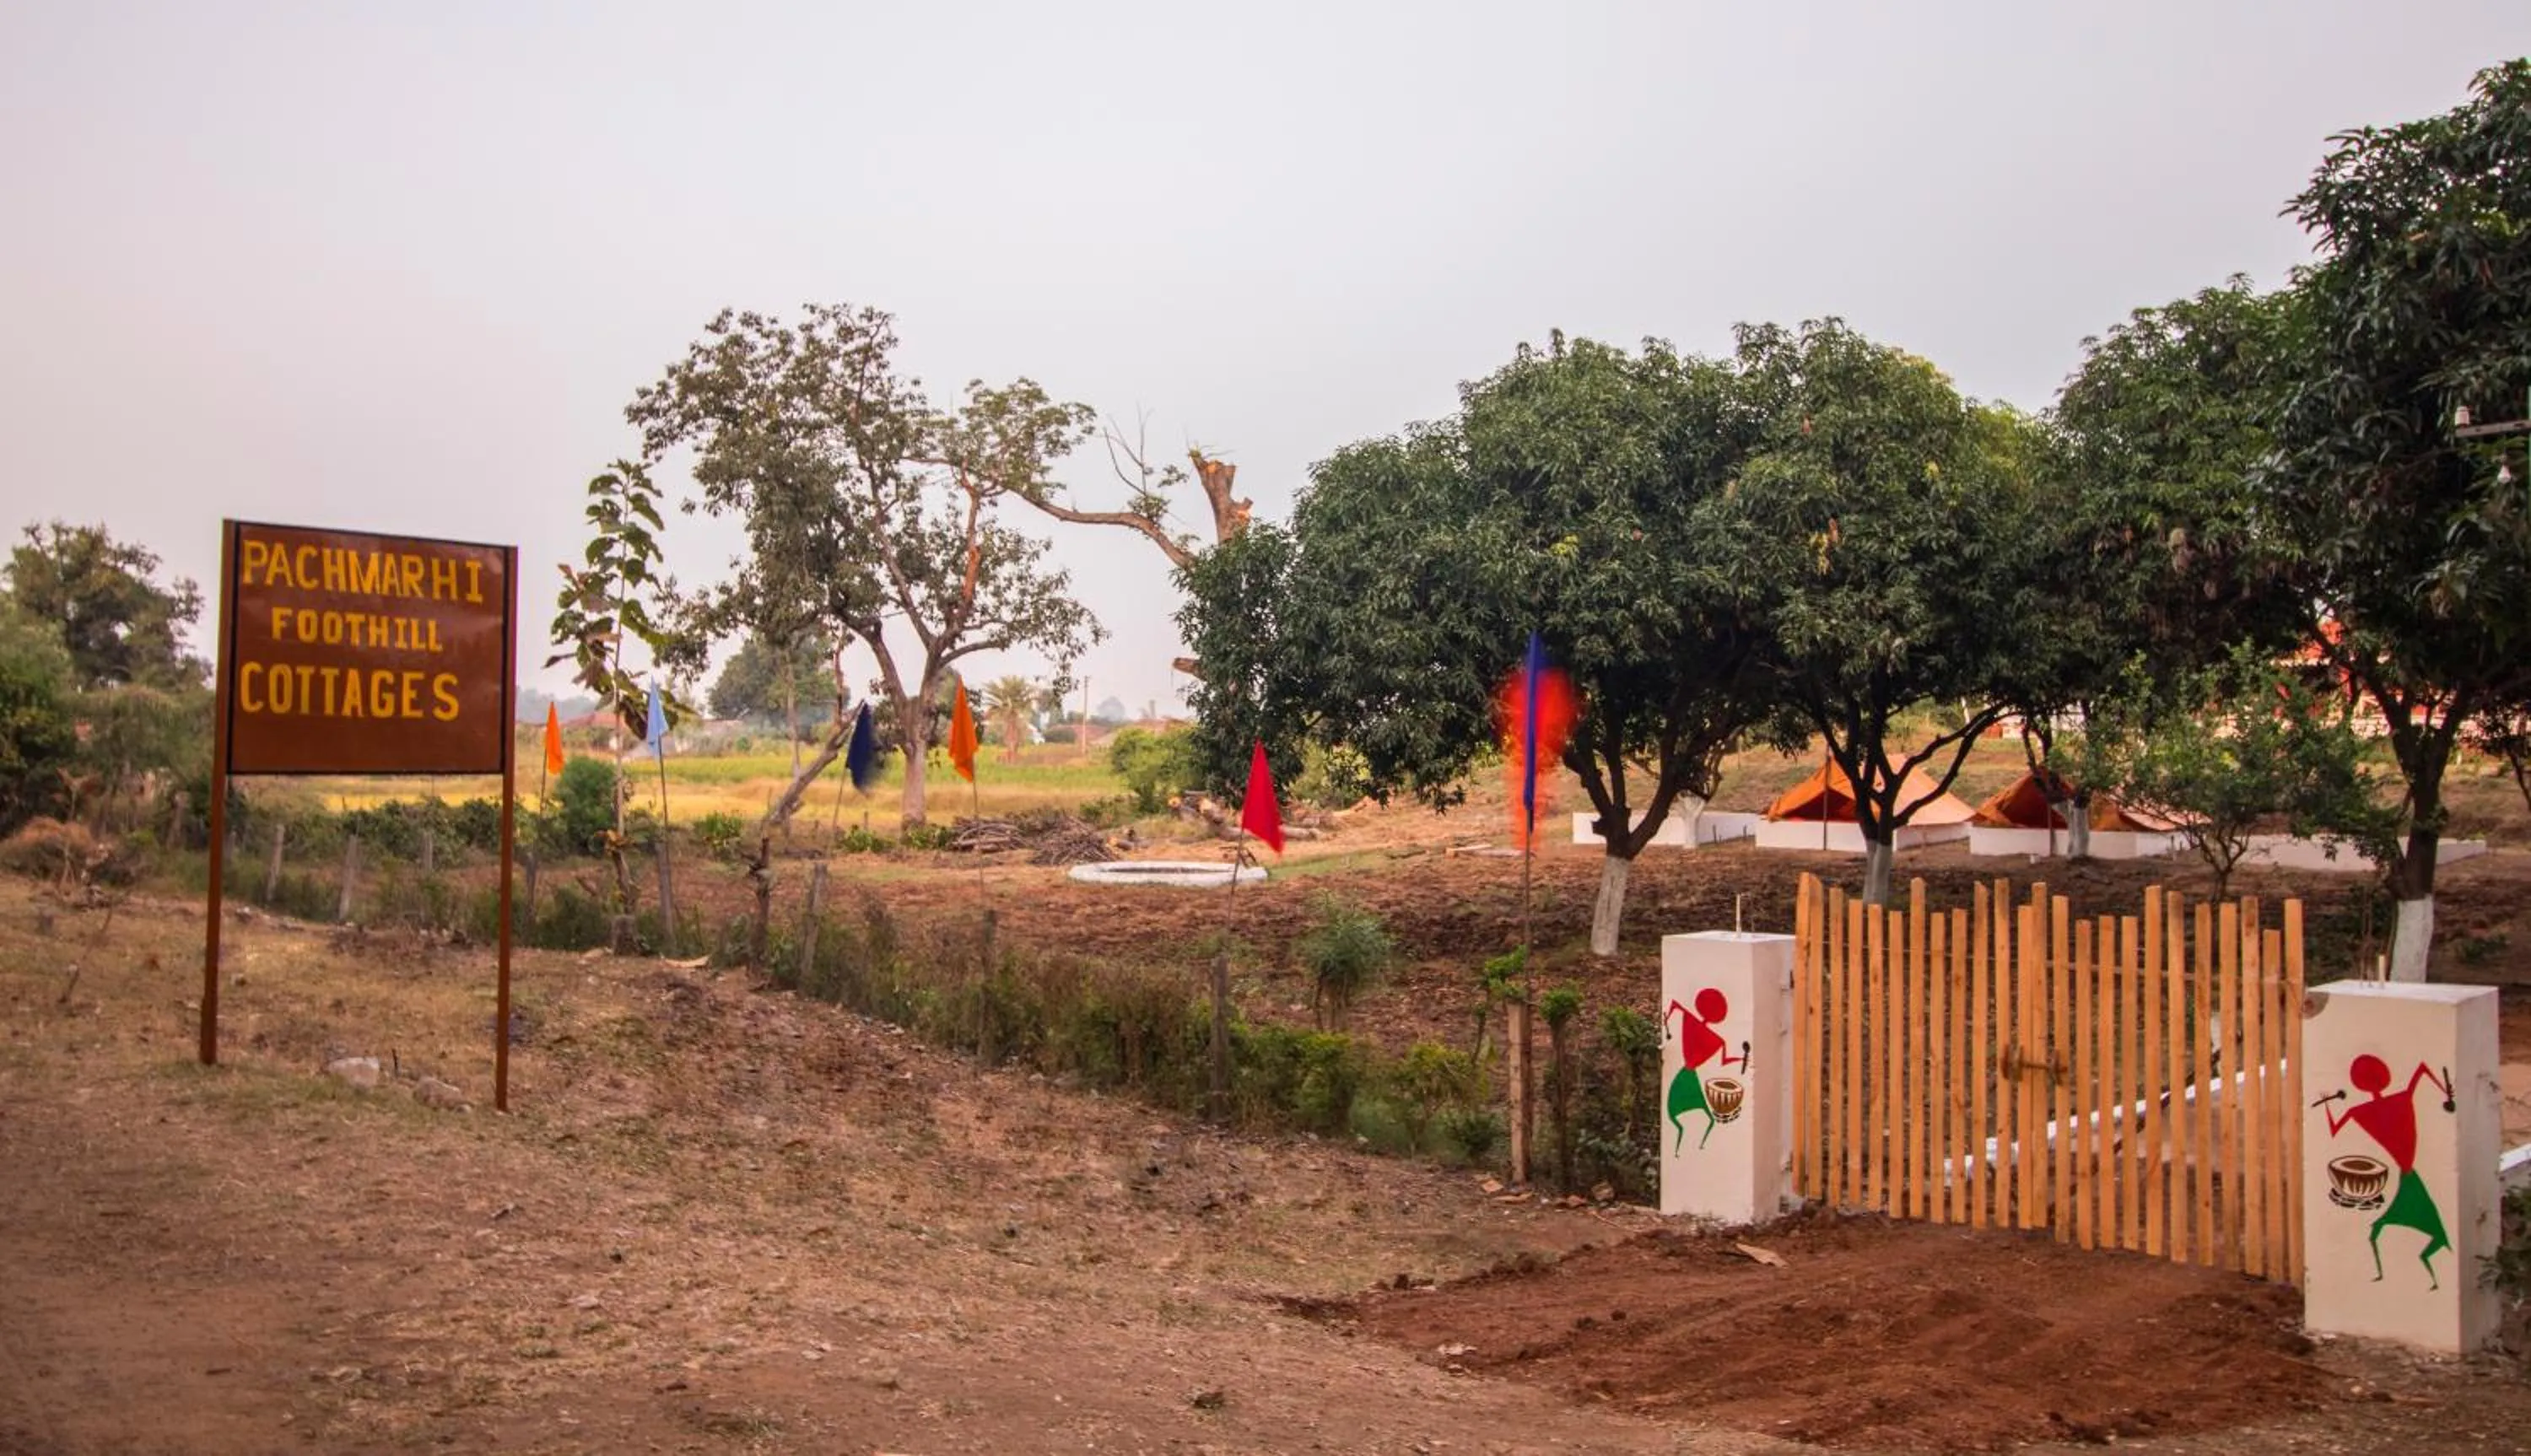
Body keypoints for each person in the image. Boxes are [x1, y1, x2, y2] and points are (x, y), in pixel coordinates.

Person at [2320, 1054, 2454, 1289]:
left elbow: (2333, 1128)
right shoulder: (2402, 1097)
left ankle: (2395, 1273)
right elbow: (2422, 1068)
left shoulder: (2358, 1111)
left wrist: (2327, 1104)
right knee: (2408, 1222)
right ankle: (2411, 1271)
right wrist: (2446, 1092)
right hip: (2407, 1175)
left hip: (2407, 1177)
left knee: (2388, 1227)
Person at [1665, 987, 1746, 1154]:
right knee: (1701, 1116)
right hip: (1688, 1076)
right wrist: (1742, 1059)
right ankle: (1688, 1147)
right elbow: (1725, 1060)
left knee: (1696, 1116)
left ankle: (1688, 1147)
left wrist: (1667, 1024)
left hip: (1688, 1075)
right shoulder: (1716, 1040)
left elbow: (1674, 1005)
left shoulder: (1692, 1021)